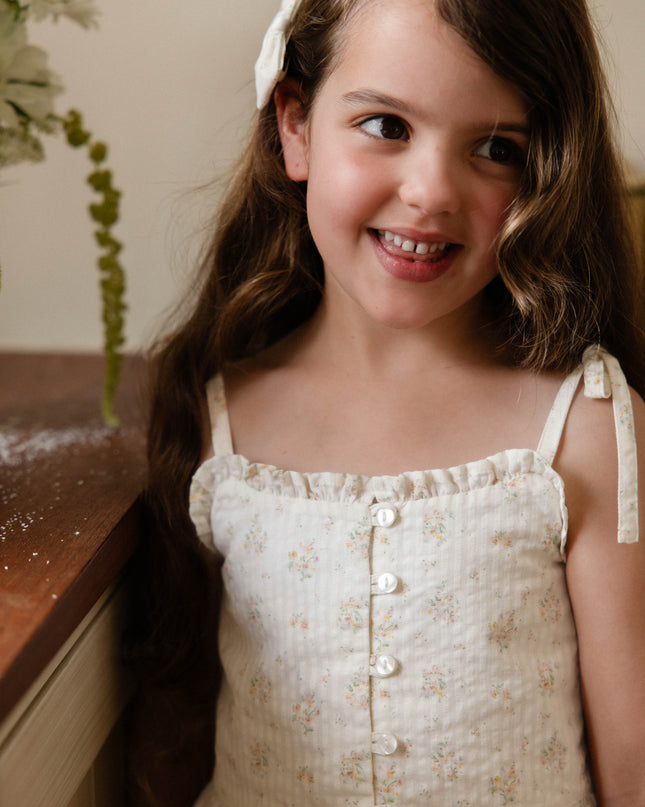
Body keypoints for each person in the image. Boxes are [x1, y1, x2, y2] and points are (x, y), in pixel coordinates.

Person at [127, 0, 645, 804]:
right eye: (386, 126)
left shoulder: (585, 428)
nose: (431, 190)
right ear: (294, 125)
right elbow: (171, 728)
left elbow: (633, 764)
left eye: (496, 147)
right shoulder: (214, 414)